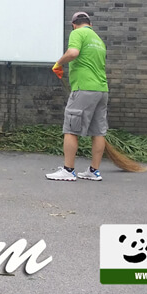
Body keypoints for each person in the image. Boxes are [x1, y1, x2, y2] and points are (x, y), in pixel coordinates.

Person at [46, 11, 108, 182]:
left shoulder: (77, 33)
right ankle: (94, 171)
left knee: (71, 129)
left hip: (84, 88)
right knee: (98, 131)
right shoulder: (98, 40)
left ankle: (68, 170)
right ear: (90, 24)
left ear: (73, 24)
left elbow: (73, 53)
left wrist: (59, 63)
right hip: (102, 90)